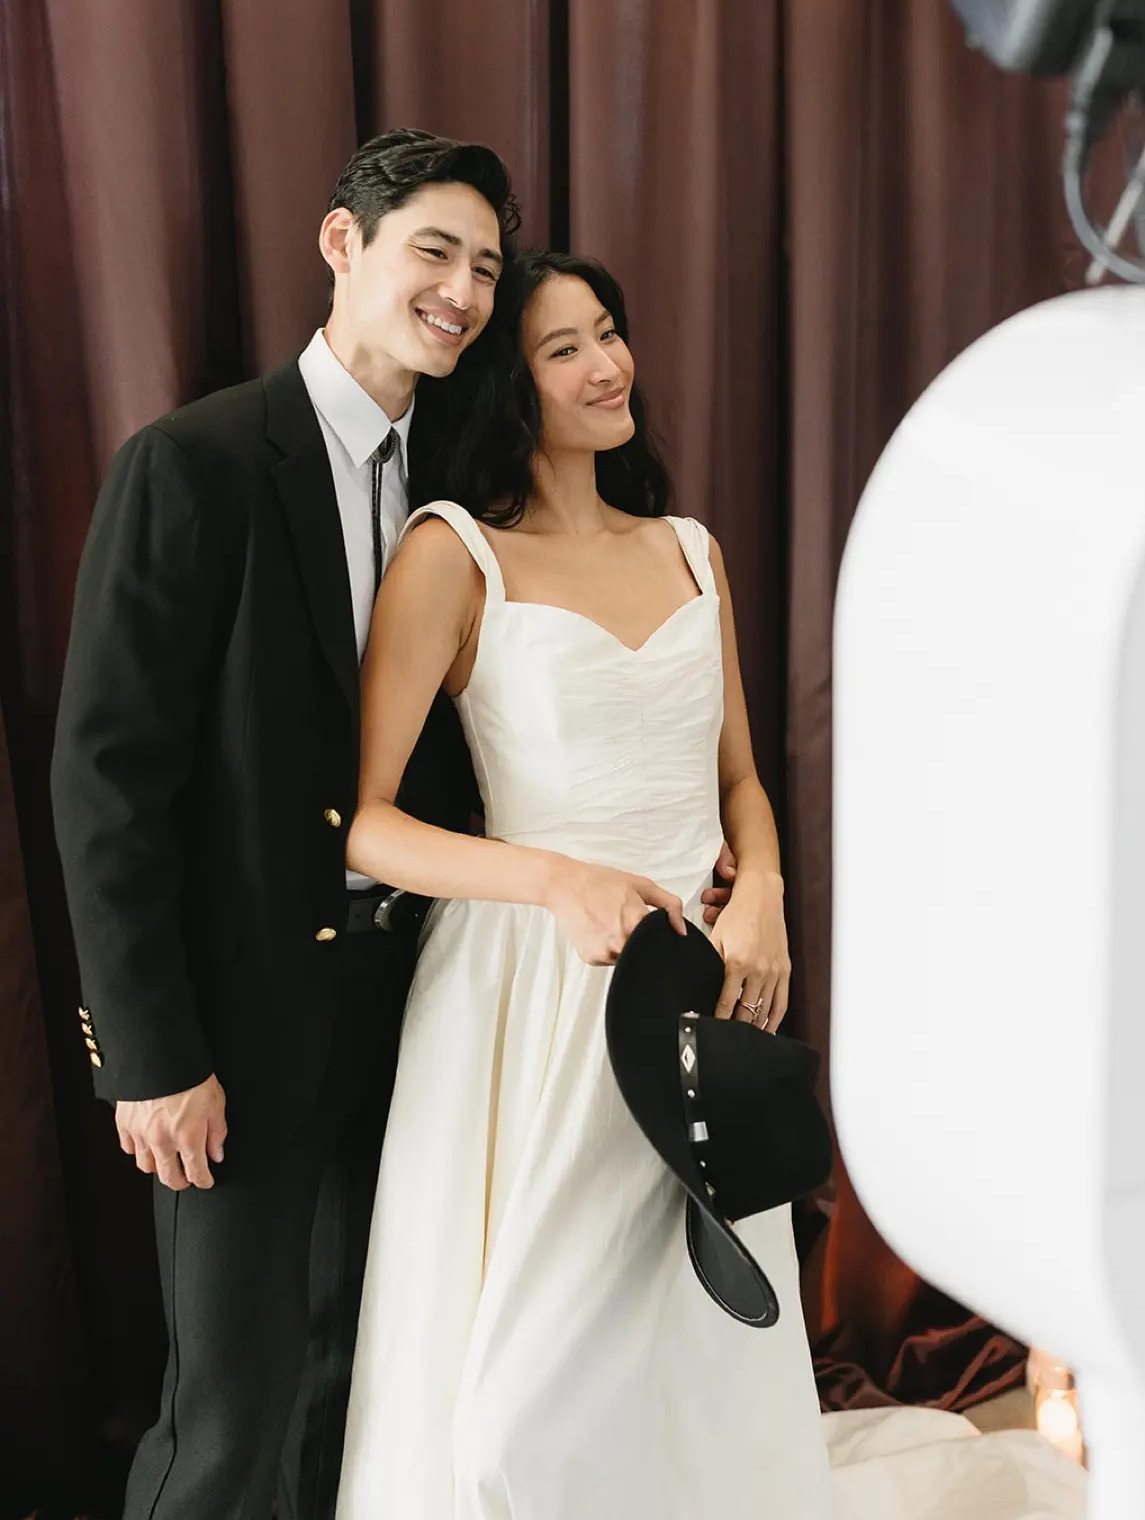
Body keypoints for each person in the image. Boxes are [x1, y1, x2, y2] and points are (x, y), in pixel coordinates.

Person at [50, 130, 520, 1520]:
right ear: (341, 245)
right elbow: (107, 780)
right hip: (231, 1040)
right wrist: (151, 1055)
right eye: (434, 249)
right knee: (225, 1431)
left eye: (486, 267)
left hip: (406, 1016)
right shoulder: (193, 462)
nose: (462, 290)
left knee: (350, 1402)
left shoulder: (458, 485)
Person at [333, 250, 836, 1518]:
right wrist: (556, 878)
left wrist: (766, 886)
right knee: (511, 1409)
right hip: (533, 993)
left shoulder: (691, 548)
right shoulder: (453, 553)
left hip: (700, 984)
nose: (608, 364)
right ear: (512, 382)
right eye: (564, 348)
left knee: (695, 1355)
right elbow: (367, 827)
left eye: (608, 332)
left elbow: (739, 781)